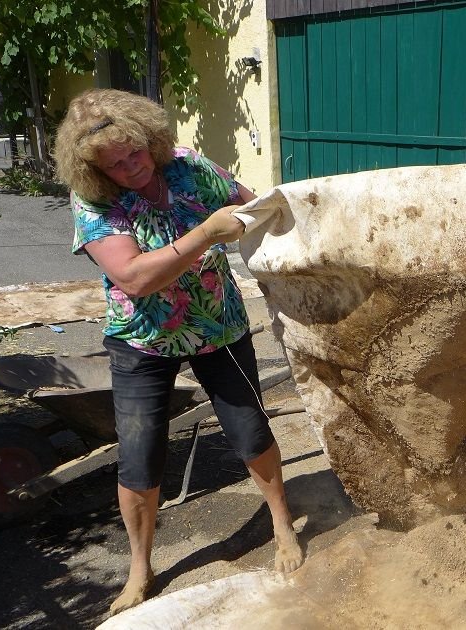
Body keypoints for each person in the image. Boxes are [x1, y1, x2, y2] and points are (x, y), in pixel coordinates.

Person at [53, 89, 304, 615]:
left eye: (135, 153)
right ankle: (140, 568)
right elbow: (134, 277)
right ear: (96, 169)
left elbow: (253, 202)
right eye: (115, 164)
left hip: (218, 324)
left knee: (249, 429)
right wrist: (206, 232)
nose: (130, 167)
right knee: (140, 455)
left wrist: (257, 229)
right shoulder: (94, 200)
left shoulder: (189, 165)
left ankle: (282, 523)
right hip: (143, 337)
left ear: (151, 138)